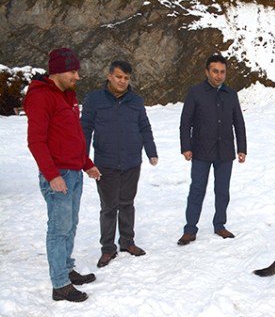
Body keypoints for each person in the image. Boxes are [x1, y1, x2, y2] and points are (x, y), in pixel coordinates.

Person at [24, 47, 101, 302]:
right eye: (73, 71)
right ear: (58, 71)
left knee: (70, 225)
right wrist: (51, 174)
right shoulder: (41, 97)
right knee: (58, 229)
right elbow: (36, 141)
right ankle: (60, 285)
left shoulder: (67, 94)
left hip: (73, 172)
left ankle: (66, 270)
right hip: (58, 175)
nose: (77, 77)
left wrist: (86, 163)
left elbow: (74, 136)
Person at [81, 60, 158, 267]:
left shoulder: (136, 101)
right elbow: (85, 130)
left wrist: (151, 151)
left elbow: (144, 127)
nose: (122, 81)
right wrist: (84, 160)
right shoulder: (94, 100)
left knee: (127, 204)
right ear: (109, 76)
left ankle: (127, 242)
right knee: (108, 207)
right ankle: (107, 249)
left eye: (126, 78)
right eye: (118, 76)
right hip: (105, 163)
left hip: (132, 161)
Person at [177, 54, 247, 245]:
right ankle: (190, 229)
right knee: (197, 190)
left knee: (222, 191)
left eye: (222, 72)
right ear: (207, 71)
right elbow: (186, 122)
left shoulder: (231, 94)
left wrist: (241, 148)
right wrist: (186, 146)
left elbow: (238, 123)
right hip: (200, 150)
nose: (219, 76)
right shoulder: (195, 92)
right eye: (215, 71)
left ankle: (220, 225)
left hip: (224, 151)